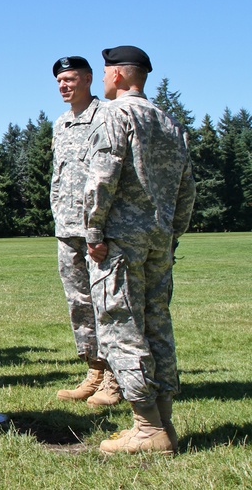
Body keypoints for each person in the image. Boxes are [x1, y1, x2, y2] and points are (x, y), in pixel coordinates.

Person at [84, 46, 195, 455]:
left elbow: (101, 177)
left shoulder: (115, 116)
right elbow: (187, 190)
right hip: (158, 240)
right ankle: (164, 422)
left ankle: (147, 429)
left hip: (120, 241)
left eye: (106, 71)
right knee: (157, 324)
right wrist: (171, 233)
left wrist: (93, 230)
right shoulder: (170, 122)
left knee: (121, 326)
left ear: (117, 76)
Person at [49, 56, 122, 406]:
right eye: (60, 81)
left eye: (71, 79)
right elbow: (58, 177)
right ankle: (93, 369)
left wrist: (100, 226)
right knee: (79, 302)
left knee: (106, 302)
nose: (65, 85)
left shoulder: (106, 116)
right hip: (68, 227)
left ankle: (115, 377)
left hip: (100, 229)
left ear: (89, 79)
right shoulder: (61, 123)